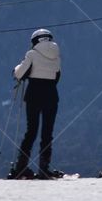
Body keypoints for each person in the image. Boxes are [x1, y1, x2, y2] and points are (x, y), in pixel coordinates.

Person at [9, 29, 62, 179]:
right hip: (51, 95)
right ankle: (44, 169)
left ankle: (21, 167)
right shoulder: (57, 56)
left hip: (34, 95)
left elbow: (20, 74)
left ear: (35, 41)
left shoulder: (31, 54)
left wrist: (16, 69)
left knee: (31, 131)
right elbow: (57, 76)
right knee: (47, 133)